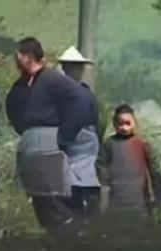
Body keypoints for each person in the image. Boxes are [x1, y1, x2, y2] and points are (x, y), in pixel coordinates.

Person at [5, 37, 96, 233]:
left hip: (50, 146)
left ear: (27, 57)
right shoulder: (22, 86)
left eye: (18, 57)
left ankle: (72, 245)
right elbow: (13, 108)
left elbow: (81, 100)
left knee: (53, 200)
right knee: (42, 203)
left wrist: (65, 134)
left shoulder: (52, 79)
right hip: (32, 146)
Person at [96, 104, 161, 218]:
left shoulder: (142, 144)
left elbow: (154, 170)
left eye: (128, 123)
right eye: (120, 124)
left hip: (140, 201)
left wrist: (158, 195)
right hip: (116, 200)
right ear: (114, 124)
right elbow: (102, 170)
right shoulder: (109, 144)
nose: (124, 128)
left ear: (135, 123)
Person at [58, 45, 103, 215]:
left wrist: (61, 140)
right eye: (69, 67)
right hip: (71, 154)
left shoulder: (84, 95)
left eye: (76, 67)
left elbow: (97, 123)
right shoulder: (72, 94)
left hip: (82, 151)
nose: (73, 70)